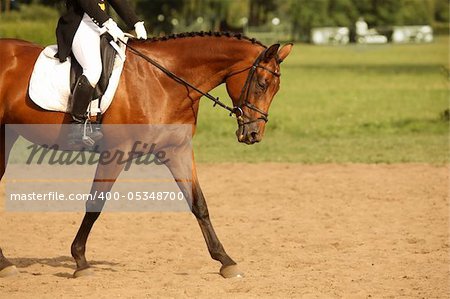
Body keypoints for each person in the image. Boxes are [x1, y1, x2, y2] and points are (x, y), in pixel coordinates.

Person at [55, 0, 148, 146]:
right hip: (80, 26)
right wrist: (108, 22)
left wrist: (136, 23)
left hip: (100, 26)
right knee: (93, 70)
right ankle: (76, 125)